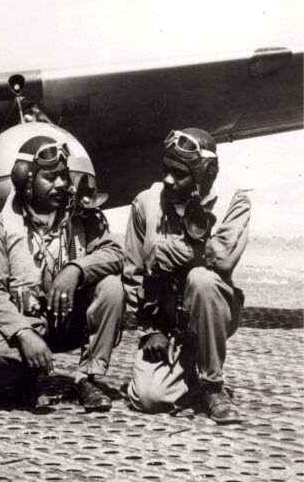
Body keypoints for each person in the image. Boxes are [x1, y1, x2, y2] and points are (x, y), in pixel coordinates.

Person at [0, 136, 124, 409]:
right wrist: (22, 334)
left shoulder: (82, 215)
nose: (62, 184)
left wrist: (76, 269)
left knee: (111, 287)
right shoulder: (1, 229)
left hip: (70, 319)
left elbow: (114, 253)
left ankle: (86, 379)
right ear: (27, 184)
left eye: (64, 176)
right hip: (28, 320)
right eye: (51, 178)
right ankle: (25, 377)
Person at [123, 128, 250, 424]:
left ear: (206, 174)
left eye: (179, 174)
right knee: (148, 399)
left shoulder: (234, 201)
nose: (168, 180)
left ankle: (213, 387)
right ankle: (187, 373)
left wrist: (171, 252)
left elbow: (223, 257)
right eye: (165, 170)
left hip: (210, 311)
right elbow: (132, 273)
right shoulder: (146, 202)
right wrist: (150, 329)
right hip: (163, 319)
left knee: (202, 279)